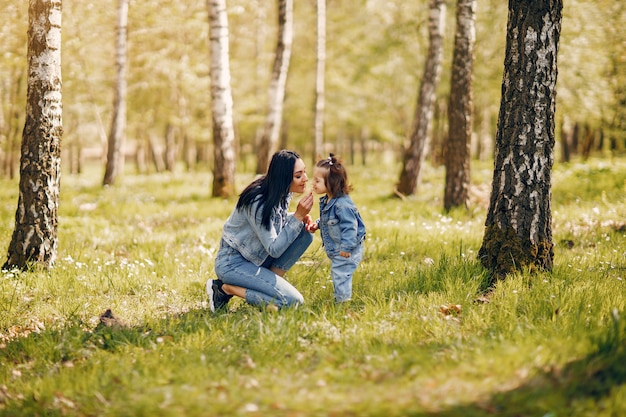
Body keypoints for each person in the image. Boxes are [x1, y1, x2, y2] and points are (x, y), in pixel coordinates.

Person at [207, 150, 315, 312]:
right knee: (294, 302)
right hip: (233, 263)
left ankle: (264, 289)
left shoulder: (279, 191)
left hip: (257, 258)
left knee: (304, 234)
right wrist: (298, 216)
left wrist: (295, 218)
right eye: (298, 176)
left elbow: (273, 220)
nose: (305, 179)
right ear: (283, 178)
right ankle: (225, 289)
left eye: (304, 172)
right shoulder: (258, 201)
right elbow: (274, 249)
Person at [308, 154, 366, 303]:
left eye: (317, 180)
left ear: (331, 182)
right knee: (339, 274)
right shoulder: (328, 200)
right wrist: (318, 224)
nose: (313, 183)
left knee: (340, 274)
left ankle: (342, 303)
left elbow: (350, 228)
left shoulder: (342, 205)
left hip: (346, 250)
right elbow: (330, 220)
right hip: (338, 249)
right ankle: (341, 298)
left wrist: (346, 248)